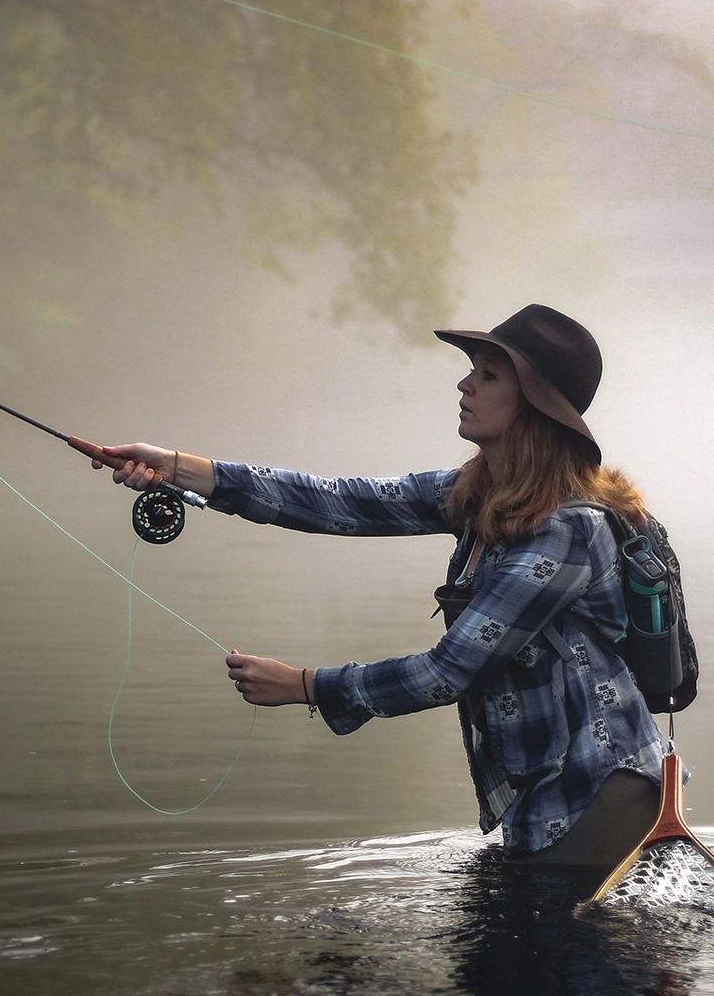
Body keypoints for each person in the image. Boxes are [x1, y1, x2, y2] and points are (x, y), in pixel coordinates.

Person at [94, 304, 665, 868]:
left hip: (596, 798)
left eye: (489, 376)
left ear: (536, 409)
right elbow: (338, 500)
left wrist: (307, 685)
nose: (464, 384)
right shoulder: (484, 493)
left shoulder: (569, 529)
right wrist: (176, 467)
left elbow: (448, 672)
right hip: (549, 802)